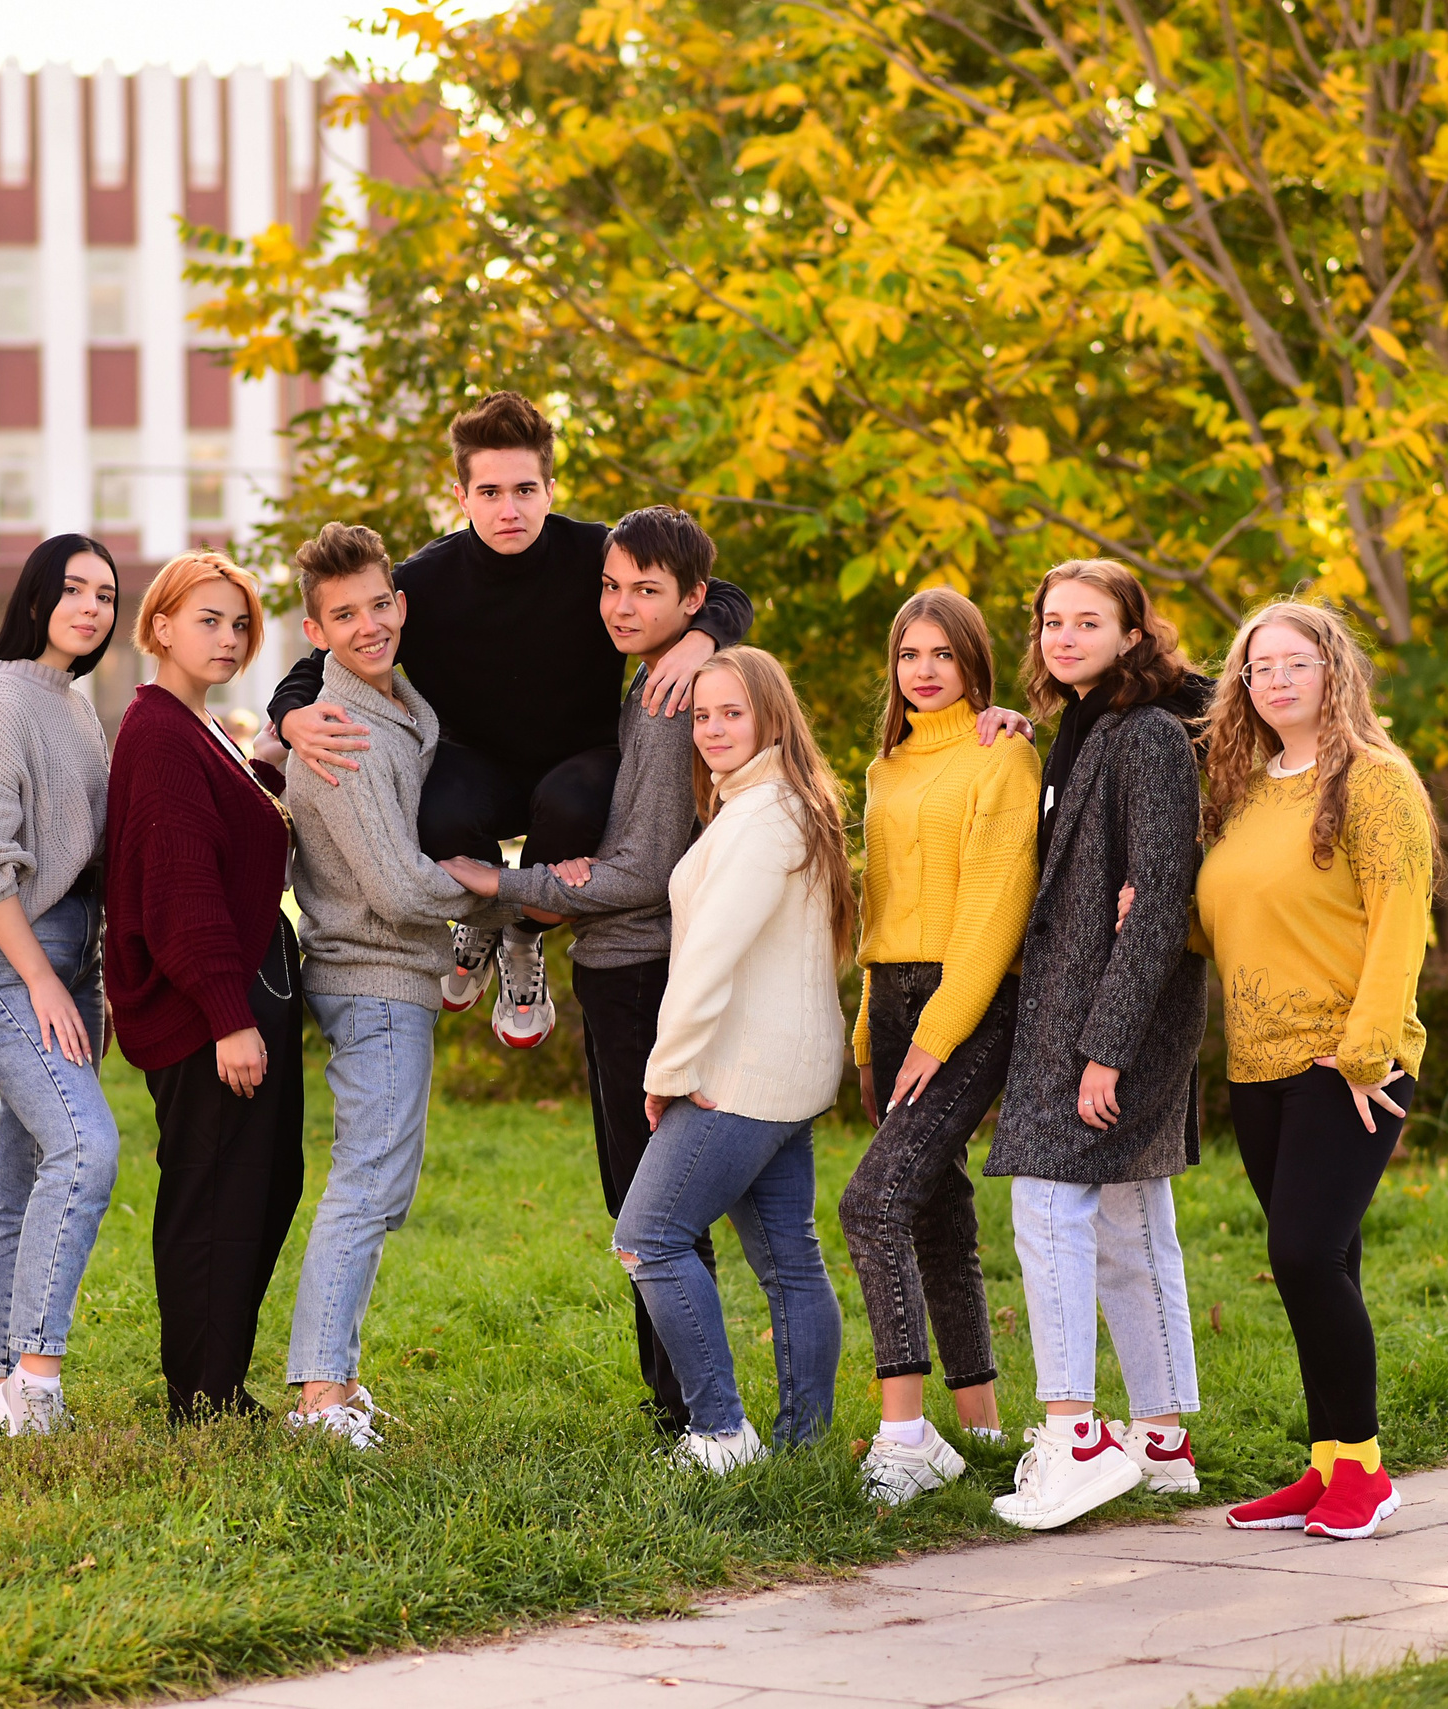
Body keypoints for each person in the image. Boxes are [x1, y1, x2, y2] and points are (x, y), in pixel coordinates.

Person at [267, 392, 754, 1050]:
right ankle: (483, 923)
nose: (509, 508)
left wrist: (702, 639)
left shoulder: (597, 556)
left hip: (577, 765)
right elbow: (322, 653)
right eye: (490, 491)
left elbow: (720, 591)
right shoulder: (425, 582)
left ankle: (523, 936)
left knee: (574, 797)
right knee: (436, 804)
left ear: (550, 489)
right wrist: (292, 716)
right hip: (479, 772)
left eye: (526, 488)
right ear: (461, 495)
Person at [442, 505, 720, 1435]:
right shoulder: (647, 681)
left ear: (693, 600)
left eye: (647, 590)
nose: (622, 605)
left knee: (657, 1201)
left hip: (644, 968)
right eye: (611, 586)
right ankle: (673, 1401)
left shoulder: (679, 694)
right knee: (635, 1193)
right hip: (613, 966)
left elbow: (645, 866)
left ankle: (695, 1413)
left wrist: (502, 881)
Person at [1198, 603, 1435, 1541]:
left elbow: (1400, 914)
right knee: (1324, 1263)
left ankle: (1366, 1472)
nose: (1279, 680)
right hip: (1257, 1064)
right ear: (1244, 686)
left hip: (1349, 1064)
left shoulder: (1375, 781)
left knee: (1300, 1255)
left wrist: (1370, 1046)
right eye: (1261, 668)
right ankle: (1328, 1463)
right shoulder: (1249, 789)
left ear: (1335, 671)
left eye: (1298, 662)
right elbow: (1228, 912)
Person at [984, 559, 1211, 1529]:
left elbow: (1159, 896)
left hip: (1109, 1017)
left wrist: (1105, 1049)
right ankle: (1160, 1441)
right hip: (1090, 1011)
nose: (1065, 636)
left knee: (1046, 1201)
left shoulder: (1152, 735)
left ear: (1132, 633)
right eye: (1050, 622)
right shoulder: (1088, 728)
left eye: (1088, 621)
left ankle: (1074, 1435)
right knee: (1127, 1216)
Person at [280, 521, 509, 1448]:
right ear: (315, 629)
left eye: (379, 604)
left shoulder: (400, 701)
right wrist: (505, 898)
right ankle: (321, 1401)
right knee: (368, 1181)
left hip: (399, 975)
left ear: (399, 603)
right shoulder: (340, 733)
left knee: (382, 1180)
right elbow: (399, 885)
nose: (369, 624)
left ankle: (333, 1381)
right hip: (368, 972)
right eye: (345, 614)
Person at [614, 645, 850, 1472]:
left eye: (732, 713)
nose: (712, 729)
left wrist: (666, 1073)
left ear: (770, 716)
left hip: (740, 1077)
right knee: (791, 1262)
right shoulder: (781, 803)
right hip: (788, 1074)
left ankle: (720, 1433)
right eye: (702, 715)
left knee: (649, 1238)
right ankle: (804, 1447)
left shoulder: (761, 817)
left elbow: (708, 959)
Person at [838, 587, 1039, 1504]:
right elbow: (881, 905)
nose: (924, 670)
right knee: (934, 1209)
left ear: (973, 663)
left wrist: (938, 1032)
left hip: (968, 998)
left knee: (872, 1201)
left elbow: (996, 908)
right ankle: (986, 1426)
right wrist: (870, 1027)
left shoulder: (1003, 754)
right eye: (909, 654)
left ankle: (905, 1436)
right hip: (894, 998)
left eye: (943, 655)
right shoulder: (885, 766)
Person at [106, 549, 306, 1424]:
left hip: (245, 991)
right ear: (159, 628)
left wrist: (261, 765)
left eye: (238, 623)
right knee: (215, 1196)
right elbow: (181, 890)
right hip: (209, 1011)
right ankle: (202, 1395)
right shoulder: (156, 732)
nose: (227, 637)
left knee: (264, 1187)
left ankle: (217, 1377)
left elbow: (228, 833)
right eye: (206, 620)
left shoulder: (199, 727)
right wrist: (230, 1018)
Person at [0, 534, 122, 1438]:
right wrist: (44, 981)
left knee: (32, 1175)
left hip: (66, 961)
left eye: (106, 594)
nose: (91, 606)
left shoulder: (73, 706)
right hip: (2, 960)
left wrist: (91, 982)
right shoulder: (2, 701)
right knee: (87, 1150)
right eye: (74, 588)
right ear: (38, 596)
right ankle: (36, 1378)